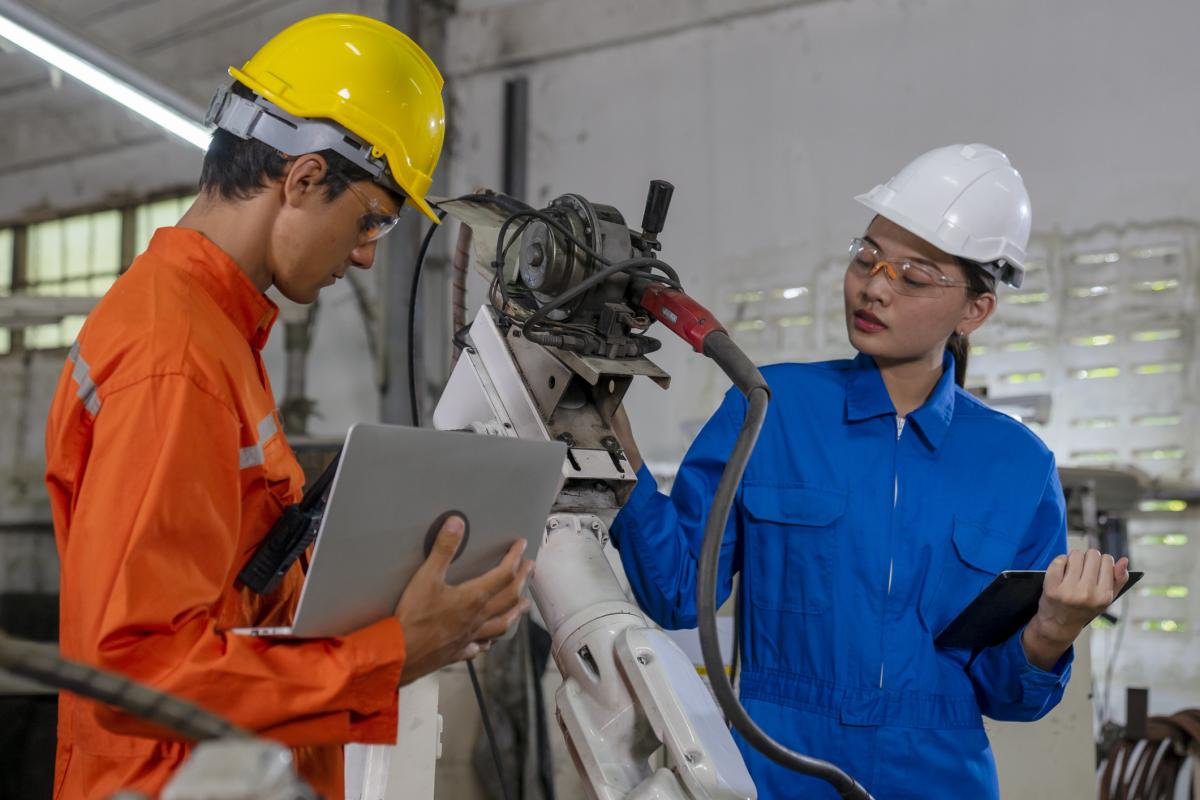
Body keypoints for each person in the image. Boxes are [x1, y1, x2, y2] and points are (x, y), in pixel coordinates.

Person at [43, 14, 533, 799]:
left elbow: (228, 588)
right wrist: (391, 653)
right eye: (371, 218)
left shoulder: (212, 331)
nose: (370, 252)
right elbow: (138, 670)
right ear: (303, 178)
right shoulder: (176, 360)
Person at [609, 144, 1129, 799]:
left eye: (913, 277)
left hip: (939, 778)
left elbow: (1007, 695)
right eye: (867, 257)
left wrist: (1053, 630)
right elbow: (677, 592)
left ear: (975, 310)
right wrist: (617, 455)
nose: (875, 286)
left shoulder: (1018, 466)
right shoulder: (769, 409)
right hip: (778, 768)